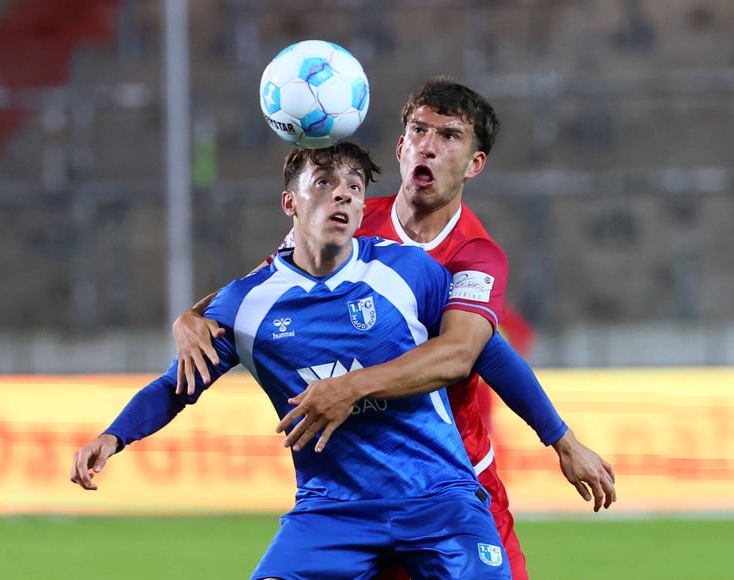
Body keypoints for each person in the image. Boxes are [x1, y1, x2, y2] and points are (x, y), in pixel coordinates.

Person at [172, 77, 617, 579]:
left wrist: (562, 440)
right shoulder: (347, 220)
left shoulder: (474, 256)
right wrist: (194, 314)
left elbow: (464, 354)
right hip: (362, 491)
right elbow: (266, 281)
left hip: (455, 484)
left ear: (475, 164)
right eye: (418, 131)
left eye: (449, 136)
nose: (429, 145)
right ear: (401, 146)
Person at [70, 143, 512, 579]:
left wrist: (559, 438)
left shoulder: (408, 272)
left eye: (355, 188)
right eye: (323, 183)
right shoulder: (248, 304)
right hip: (333, 512)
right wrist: (113, 436)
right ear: (290, 203)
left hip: (438, 498)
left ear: (360, 211)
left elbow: (483, 350)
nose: (343, 194)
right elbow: (177, 385)